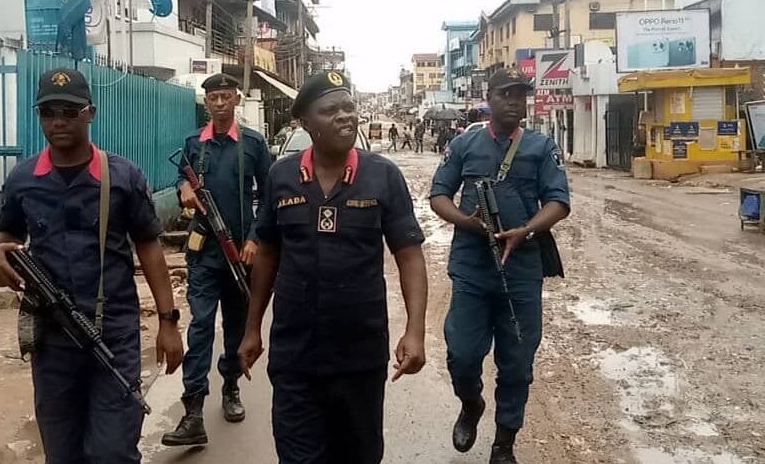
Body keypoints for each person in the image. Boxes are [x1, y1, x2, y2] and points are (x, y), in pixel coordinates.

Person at [0, 68, 184, 463]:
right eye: (49, 112)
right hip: (52, 343)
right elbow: (3, 238)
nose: (58, 121)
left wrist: (168, 323)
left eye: (70, 111)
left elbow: (150, 248)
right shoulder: (25, 180)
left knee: (112, 453)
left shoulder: (122, 176)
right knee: (62, 453)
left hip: (114, 336)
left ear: (90, 113)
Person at [239, 70, 428, 463]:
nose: (345, 116)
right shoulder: (282, 176)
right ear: (305, 123)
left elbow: (409, 255)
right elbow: (269, 252)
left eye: (349, 107)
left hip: (360, 354)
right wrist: (253, 328)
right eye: (330, 110)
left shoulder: (383, 176)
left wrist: (415, 331)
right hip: (296, 356)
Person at [429, 68, 570, 463]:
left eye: (520, 95)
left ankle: (504, 444)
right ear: (488, 97)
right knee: (462, 353)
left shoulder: (541, 147)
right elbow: (439, 194)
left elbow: (558, 202)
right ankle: (471, 404)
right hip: (472, 268)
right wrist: (468, 223)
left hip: (522, 271)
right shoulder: (465, 144)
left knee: (517, 363)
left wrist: (526, 230)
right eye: (505, 94)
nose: (514, 101)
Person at [162, 73, 272, 446]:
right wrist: (185, 191)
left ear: (237, 99)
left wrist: (256, 239)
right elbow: (181, 181)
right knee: (201, 327)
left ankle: (230, 387)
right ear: (206, 102)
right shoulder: (195, 144)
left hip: (241, 254)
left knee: (236, 328)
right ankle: (193, 409)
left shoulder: (254, 144)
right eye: (214, 98)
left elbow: (269, 199)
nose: (220, 103)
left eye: (226, 96)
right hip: (204, 253)